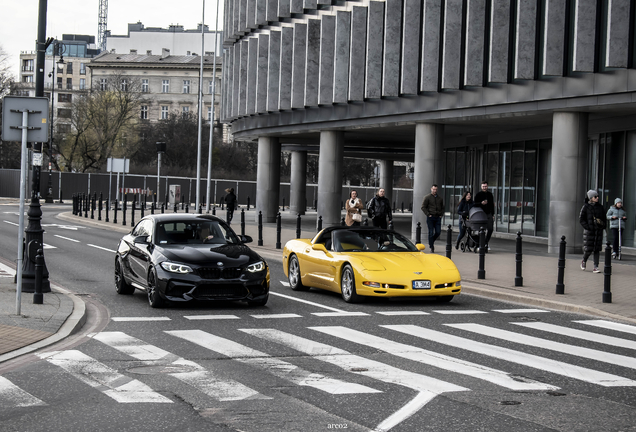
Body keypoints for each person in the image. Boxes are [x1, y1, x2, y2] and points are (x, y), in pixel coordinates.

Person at [579, 189, 607, 273]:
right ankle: (584, 261)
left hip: (598, 231)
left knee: (597, 250)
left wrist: (603, 226)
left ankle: (596, 266)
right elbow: (581, 219)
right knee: (588, 249)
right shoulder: (586, 207)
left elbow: (604, 218)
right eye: (595, 196)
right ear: (591, 198)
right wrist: (588, 227)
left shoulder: (600, 207)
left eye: (598, 196)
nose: (597, 198)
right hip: (589, 232)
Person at [421, 184, 445, 253]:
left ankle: (431, 241)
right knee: (431, 232)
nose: (435, 191)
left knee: (438, 232)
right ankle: (431, 246)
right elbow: (423, 207)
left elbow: (443, 207)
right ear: (431, 189)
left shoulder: (440, 199)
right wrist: (428, 214)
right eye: (434, 189)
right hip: (431, 217)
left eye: (436, 189)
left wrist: (441, 214)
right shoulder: (427, 197)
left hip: (438, 217)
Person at [473, 181, 495, 250]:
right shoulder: (478, 195)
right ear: (481, 187)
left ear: (487, 186)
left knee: (490, 229)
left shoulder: (490, 194)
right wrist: (481, 203)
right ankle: (481, 244)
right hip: (481, 214)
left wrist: (492, 214)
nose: (484, 188)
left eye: (485, 186)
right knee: (482, 230)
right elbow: (474, 204)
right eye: (483, 186)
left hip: (488, 214)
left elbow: (492, 205)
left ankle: (485, 242)